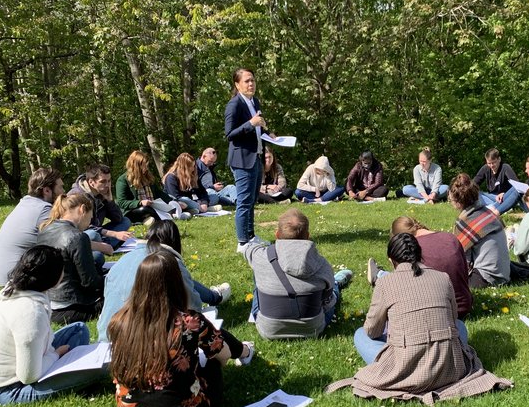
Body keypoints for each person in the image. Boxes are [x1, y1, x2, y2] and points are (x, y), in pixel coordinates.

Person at [326, 233, 512, 406]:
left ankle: (400, 371)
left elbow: (372, 331)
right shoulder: (442, 277)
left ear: (391, 260)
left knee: (360, 334)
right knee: (460, 326)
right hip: (449, 366)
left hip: (404, 367)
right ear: (420, 255)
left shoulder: (385, 283)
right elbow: (453, 318)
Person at [108, 251, 254, 407]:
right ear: (177, 283)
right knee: (213, 364)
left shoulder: (119, 320)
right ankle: (245, 351)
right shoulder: (189, 321)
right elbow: (223, 357)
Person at [0, 246, 107, 405]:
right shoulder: (30, 312)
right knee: (101, 368)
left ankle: (68, 371)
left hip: (29, 364)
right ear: (53, 276)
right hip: (9, 390)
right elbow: (28, 376)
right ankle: (73, 377)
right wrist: (56, 355)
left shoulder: (22, 290)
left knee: (78, 330)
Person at [97, 220, 231, 342]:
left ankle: (215, 296)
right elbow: (193, 307)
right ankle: (216, 297)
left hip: (106, 336)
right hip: (139, 341)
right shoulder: (166, 262)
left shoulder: (122, 261)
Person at [241, 209, 353, 339]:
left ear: (277, 234)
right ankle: (336, 283)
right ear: (308, 235)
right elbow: (328, 303)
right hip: (312, 329)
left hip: (269, 330)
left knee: (258, 271)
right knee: (332, 289)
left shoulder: (260, 256)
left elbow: (248, 249)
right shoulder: (323, 265)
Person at [384, 216, 474, 318]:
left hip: (433, 309)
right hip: (463, 305)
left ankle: (380, 275)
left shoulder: (411, 249)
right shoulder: (451, 238)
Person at [36, 194, 104, 324]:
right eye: (90, 217)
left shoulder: (45, 229)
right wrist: (110, 280)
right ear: (82, 209)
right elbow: (90, 282)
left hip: (48, 303)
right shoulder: (78, 237)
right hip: (71, 307)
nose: (89, 223)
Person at [225, 68, 274, 249]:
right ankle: (242, 242)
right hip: (242, 160)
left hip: (256, 157)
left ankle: (250, 236)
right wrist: (250, 124)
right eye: (246, 81)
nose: (251, 84)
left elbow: (258, 127)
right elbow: (230, 134)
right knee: (244, 201)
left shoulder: (254, 101)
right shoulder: (234, 104)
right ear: (237, 85)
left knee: (252, 200)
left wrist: (269, 133)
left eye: (252, 80)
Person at [0, 167, 65, 286]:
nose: (64, 192)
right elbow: (66, 240)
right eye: (61, 187)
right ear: (47, 190)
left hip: (6, 276)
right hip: (17, 280)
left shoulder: (26, 203)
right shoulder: (43, 209)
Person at [449, 173, 513, 288]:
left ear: (457, 201)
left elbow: (464, 260)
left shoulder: (464, 222)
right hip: (505, 272)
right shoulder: (488, 213)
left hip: (487, 276)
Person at [70, 163, 134, 267]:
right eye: (103, 181)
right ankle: (103, 246)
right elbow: (85, 226)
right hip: (82, 234)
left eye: (109, 181)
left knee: (125, 221)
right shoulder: (77, 196)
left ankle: (103, 245)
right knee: (93, 235)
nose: (107, 185)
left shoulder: (101, 193)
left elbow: (118, 219)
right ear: (91, 182)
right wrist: (114, 234)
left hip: (99, 231)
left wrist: (110, 201)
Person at [115, 150, 177, 224]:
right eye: (144, 165)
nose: (146, 168)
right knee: (145, 209)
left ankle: (152, 218)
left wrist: (172, 201)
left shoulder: (148, 177)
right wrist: (140, 202)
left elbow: (158, 193)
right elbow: (121, 202)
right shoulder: (123, 180)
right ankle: (158, 217)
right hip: (135, 210)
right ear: (136, 166)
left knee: (169, 205)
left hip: (153, 206)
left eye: (146, 165)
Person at [471, 148, 521, 215]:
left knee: (515, 190)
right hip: (491, 197)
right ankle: (493, 207)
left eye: (493, 162)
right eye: (489, 163)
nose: (491, 165)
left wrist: (504, 193)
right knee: (476, 193)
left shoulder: (505, 167)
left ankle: (502, 207)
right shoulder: (485, 168)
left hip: (504, 197)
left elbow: (517, 185)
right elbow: (474, 183)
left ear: (499, 159)